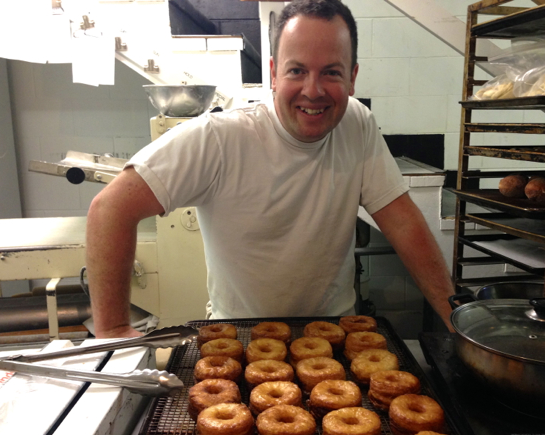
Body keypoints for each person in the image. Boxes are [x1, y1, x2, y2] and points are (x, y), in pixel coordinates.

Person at [86, 0, 455, 338]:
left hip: (332, 336)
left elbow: (404, 222)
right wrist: (113, 328)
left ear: (352, 77)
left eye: (331, 72)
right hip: (241, 338)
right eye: (297, 70)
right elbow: (111, 209)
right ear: (274, 73)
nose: (313, 90)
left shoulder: (356, 125)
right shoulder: (220, 138)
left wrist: (456, 322)